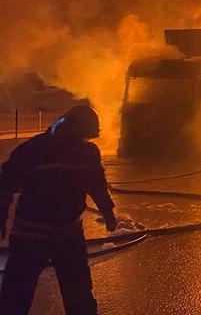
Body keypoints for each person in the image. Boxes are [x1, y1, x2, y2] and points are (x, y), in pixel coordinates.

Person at [0, 105, 116, 315]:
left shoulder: (36, 149)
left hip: (53, 233)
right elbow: (5, 186)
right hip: (43, 235)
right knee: (25, 293)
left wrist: (108, 211)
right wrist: (107, 211)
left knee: (23, 294)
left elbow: (96, 185)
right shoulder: (45, 151)